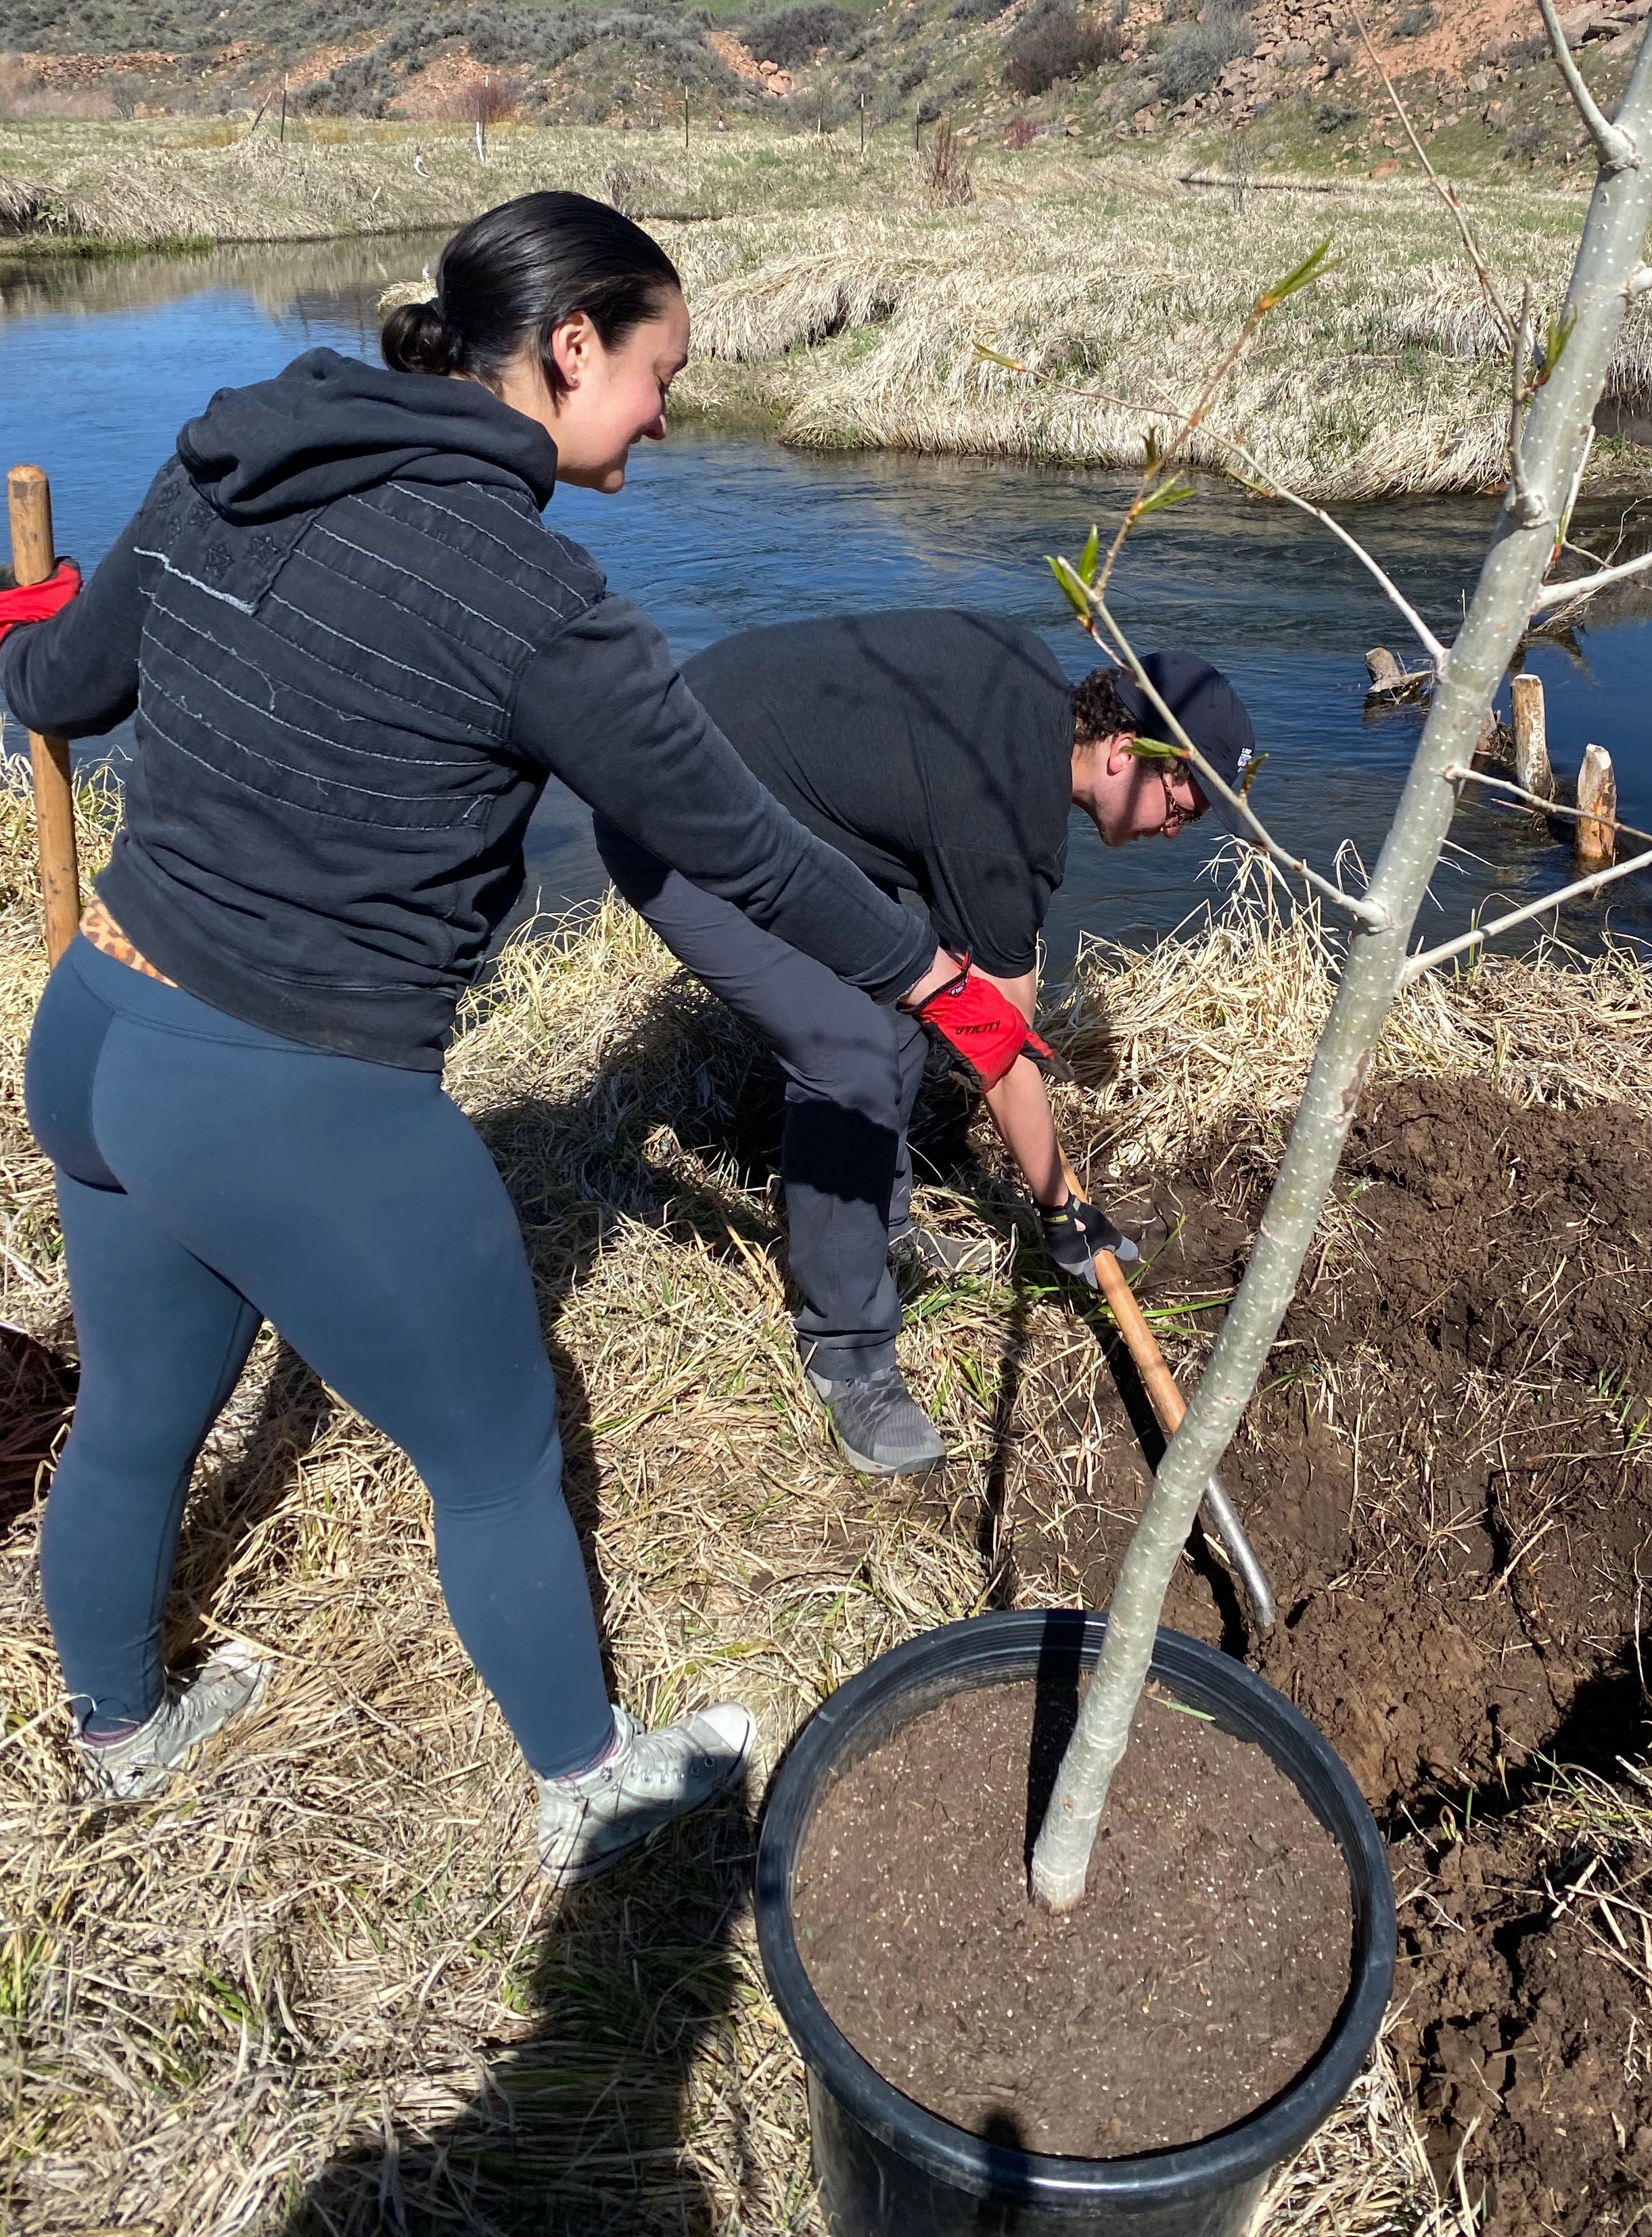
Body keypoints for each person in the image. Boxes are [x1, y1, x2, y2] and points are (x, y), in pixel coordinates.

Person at [0, 192, 1008, 1882]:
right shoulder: (543, 604)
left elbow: (55, 695)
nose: (670, 415)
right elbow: (748, 851)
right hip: (289, 1097)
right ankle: (591, 1791)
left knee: (134, 1421)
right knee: (493, 1458)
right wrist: (945, 990)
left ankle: (118, 1731)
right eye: (659, 373)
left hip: (96, 1032)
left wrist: (43, 622)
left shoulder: (227, 457)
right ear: (566, 347)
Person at [595, 609, 1256, 1479]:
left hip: (756, 785)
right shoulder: (999, 821)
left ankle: (882, 1224)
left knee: (911, 998)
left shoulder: (1028, 691)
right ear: (1124, 752)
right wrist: (1062, 1212)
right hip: (670, 820)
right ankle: (849, 1353)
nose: (1175, 832)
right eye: (1182, 806)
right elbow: (1000, 1048)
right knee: (852, 1054)